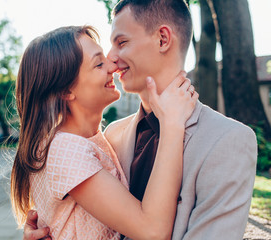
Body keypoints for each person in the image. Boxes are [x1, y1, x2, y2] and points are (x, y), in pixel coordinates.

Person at [23, 0, 258, 240]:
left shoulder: (228, 141)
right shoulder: (112, 137)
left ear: (162, 39)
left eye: (122, 42)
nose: (112, 59)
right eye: (102, 57)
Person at [11, 24, 198, 240]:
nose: (113, 65)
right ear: (66, 90)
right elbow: (152, 231)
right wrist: (172, 123)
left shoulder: (94, 140)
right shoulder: (65, 149)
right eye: (99, 64)